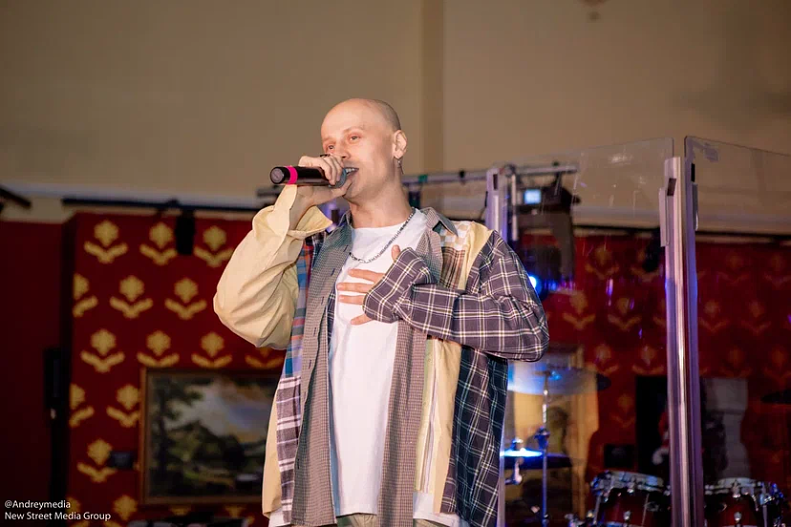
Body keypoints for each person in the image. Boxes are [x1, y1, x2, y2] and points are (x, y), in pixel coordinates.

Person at [214, 98, 549, 527]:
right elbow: (239, 307)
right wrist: (293, 209)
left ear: (397, 145)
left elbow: (527, 331)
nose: (338, 153)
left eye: (354, 137)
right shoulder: (312, 254)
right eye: (329, 145)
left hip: (424, 502)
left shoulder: (467, 245)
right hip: (316, 499)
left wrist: (409, 300)